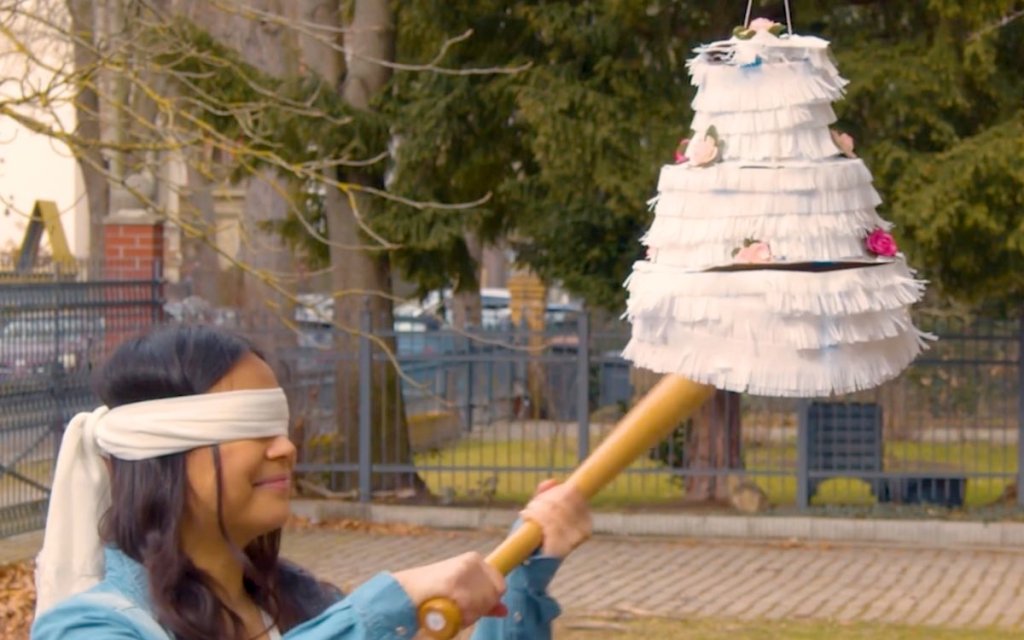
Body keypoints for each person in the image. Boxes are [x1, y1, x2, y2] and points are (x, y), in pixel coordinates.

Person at [31, 324, 591, 640]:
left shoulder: (304, 607)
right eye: (250, 427)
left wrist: (521, 580)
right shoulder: (89, 629)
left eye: (280, 423)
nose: (286, 448)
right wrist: (383, 608)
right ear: (156, 454)